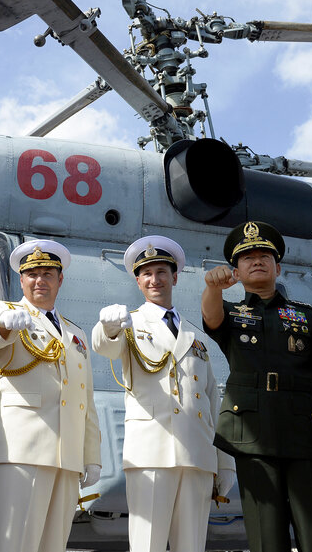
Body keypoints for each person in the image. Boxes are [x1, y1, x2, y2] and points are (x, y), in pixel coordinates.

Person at [203, 221, 312, 552]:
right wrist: (213, 288)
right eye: (247, 257)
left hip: (305, 432)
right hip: (252, 433)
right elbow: (211, 318)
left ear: (278, 267)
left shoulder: (306, 316)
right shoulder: (229, 312)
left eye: (264, 255)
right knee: (267, 535)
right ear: (236, 272)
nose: (257, 260)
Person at [91, 235, 236, 552]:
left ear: (175, 277)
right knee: (147, 545)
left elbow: (213, 401)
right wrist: (107, 326)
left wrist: (225, 464)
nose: (154, 279)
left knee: (192, 546)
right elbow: (105, 345)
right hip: (150, 454)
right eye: (146, 273)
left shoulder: (196, 336)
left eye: (161, 272)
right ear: (138, 280)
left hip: (197, 455)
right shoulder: (129, 323)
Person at [0, 239, 101, 552]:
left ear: (60, 280)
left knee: (53, 546)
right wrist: (5, 326)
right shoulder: (6, 312)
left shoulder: (76, 334)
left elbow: (86, 399)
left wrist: (92, 456)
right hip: (24, 451)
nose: (39, 280)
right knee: (14, 543)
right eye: (31, 274)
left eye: (47, 273)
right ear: (21, 280)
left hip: (67, 456)